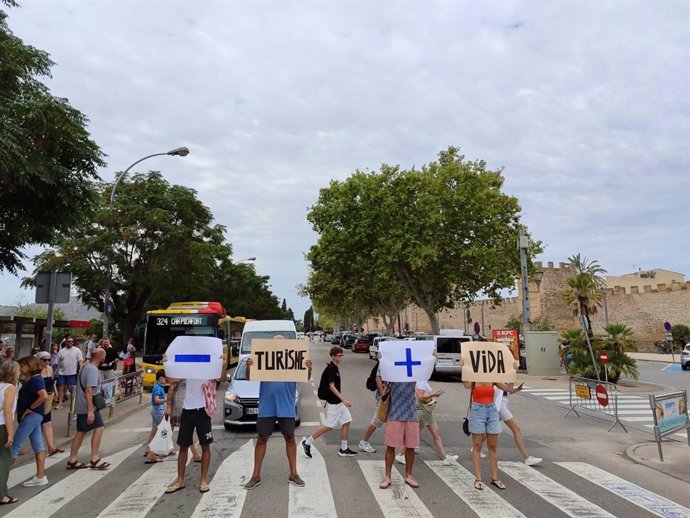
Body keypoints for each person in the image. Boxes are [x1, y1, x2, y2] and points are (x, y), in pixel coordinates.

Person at [244, 336, 312, 490]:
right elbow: (249, 377)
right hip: (266, 407)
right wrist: (249, 366)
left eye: (281, 342)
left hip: (286, 406)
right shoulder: (264, 359)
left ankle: (293, 473)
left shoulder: (293, 359)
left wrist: (308, 367)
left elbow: (306, 377)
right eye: (276, 342)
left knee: (290, 438)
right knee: (262, 439)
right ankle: (255, 475)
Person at [165, 353, 226, 495]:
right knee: (183, 446)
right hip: (188, 410)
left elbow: (222, 378)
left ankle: (203, 480)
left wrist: (223, 365)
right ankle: (180, 480)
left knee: (205, 445)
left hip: (203, 411)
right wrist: (166, 364)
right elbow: (171, 380)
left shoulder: (209, 368)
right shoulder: (187, 368)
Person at [301, 346, 357, 458]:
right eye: (338, 355)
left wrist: (342, 401)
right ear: (332, 356)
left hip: (338, 403)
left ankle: (344, 448)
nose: (341, 357)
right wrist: (344, 399)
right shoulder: (331, 369)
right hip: (334, 403)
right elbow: (332, 386)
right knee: (329, 426)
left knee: (347, 421)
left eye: (342, 355)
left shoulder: (335, 368)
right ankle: (307, 442)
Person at [463, 377, 514, 491]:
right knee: (477, 446)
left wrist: (512, 375)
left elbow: (508, 389)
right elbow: (466, 385)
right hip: (477, 410)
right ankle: (478, 478)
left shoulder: (492, 376)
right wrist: (464, 369)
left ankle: (495, 478)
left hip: (492, 410)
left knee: (493, 446)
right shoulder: (474, 377)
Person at [66, 348, 110, 470]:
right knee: (99, 428)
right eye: (104, 356)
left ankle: (72, 459)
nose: (104, 359)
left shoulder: (85, 367)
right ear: (101, 356)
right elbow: (89, 390)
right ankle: (94, 458)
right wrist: (90, 410)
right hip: (88, 406)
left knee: (81, 431)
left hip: (82, 405)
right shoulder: (92, 370)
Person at [395, 381, 458, 466]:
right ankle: (401, 454)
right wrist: (434, 394)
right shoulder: (421, 381)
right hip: (423, 410)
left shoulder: (421, 380)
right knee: (416, 434)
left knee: (435, 432)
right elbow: (420, 397)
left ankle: (445, 457)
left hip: (425, 411)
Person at [11, 356, 50, 487]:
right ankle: (40, 476)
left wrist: (30, 408)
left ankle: (3, 475)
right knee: (38, 446)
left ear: (29, 366)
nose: (20, 368)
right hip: (34, 416)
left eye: (22, 366)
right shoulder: (32, 379)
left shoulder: (35, 380)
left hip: (31, 416)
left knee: (14, 447)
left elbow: (44, 396)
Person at [379, 380, 420, 489]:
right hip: (395, 413)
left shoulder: (414, 370)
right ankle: (387, 476)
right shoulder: (393, 367)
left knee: (410, 446)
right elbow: (383, 383)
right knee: (390, 446)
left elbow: (418, 383)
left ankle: (408, 475)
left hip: (411, 413)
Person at [168, 379, 202, 462]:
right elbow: (172, 386)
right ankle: (195, 454)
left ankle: (152, 449)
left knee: (170, 428)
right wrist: (168, 405)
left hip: (185, 403)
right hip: (179, 404)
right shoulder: (180, 372)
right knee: (168, 429)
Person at [36, 351, 63, 457]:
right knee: (36, 423)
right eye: (44, 360)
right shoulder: (36, 371)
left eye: (49, 360)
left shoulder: (50, 369)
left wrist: (55, 392)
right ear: (39, 360)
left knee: (47, 423)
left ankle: (51, 447)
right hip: (38, 398)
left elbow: (52, 382)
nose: (47, 362)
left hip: (49, 396)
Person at [0, 362, 19, 505]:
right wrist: (11, 433)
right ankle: (1, 495)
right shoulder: (10, 388)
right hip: (2, 426)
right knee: (4, 460)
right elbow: (7, 411)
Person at [359, 362, 385, 453]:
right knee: (377, 421)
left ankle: (404, 446)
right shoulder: (383, 364)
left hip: (390, 398)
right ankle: (364, 442)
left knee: (394, 422)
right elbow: (378, 379)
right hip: (384, 400)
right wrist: (383, 397)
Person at [144, 369, 167, 462]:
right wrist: (166, 400)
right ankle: (152, 453)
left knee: (154, 431)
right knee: (161, 431)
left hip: (155, 411)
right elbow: (157, 400)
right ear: (161, 378)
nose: (166, 380)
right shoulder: (158, 388)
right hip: (158, 411)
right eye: (165, 379)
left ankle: (148, 450)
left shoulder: (158, 386)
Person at [55, 337, 83, 408]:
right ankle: (60, 403)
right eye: (69, 341)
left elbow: (80, 360)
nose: (70, 342)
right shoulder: (61, 351)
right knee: (60, 387)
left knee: (72, 388)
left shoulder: (77, 350)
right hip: (61, 372)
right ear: (66, 342)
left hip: (72, 372)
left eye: (72, 341)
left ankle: (75, 403)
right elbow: (57, 362)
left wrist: (81, 369)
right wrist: (55, 370)